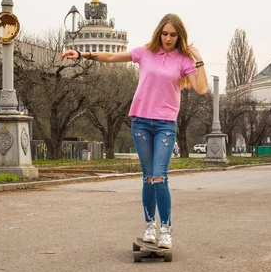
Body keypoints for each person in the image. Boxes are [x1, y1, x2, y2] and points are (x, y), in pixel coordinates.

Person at [61, 13, 208, 249]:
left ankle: (166, 230)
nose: (168, 38)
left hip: (165, 125)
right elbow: (110, 56)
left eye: (173, 35)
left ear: (179, 36)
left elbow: (201, 88)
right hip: (140, 122)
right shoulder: (145, 52)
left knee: (160, 176)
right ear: (159, 32)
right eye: (165, 33)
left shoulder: (184, 61)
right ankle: (150, 227)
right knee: (148, 178)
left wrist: (198, 58)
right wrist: (81, 54)